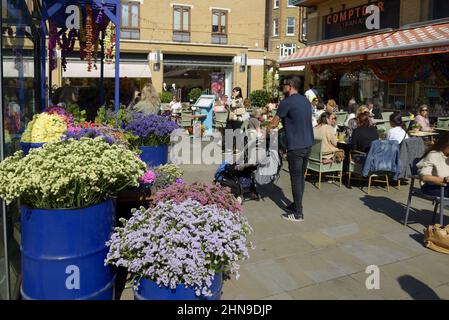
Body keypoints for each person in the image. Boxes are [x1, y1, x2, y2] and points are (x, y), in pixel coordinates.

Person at [268, 75, 314, 222]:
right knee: (300, 178)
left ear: (290, 86)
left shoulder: (286, 102)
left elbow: (274, 123)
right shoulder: (305, 101)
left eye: (283, 85)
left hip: (296, 146)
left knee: (295, 179)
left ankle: (298, 213)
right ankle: (296, 204)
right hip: (307, 144)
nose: (282, 87)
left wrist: (265, 129)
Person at [416, 133, 449, 197]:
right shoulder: (434, 155)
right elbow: (424, 177)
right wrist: (444, 179)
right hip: (432, 187)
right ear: (445, 144)